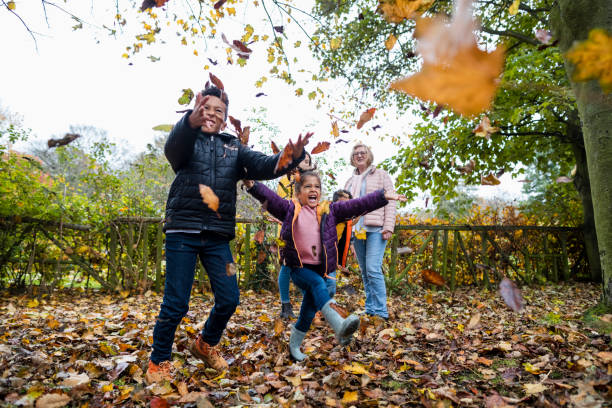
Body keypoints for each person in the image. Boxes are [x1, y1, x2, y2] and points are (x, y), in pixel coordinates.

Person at [145, 85, 312, 384]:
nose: (211, 115)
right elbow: (173, 148)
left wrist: (291, 155)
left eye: (218, 111)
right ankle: (159, 361)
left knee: (230, 297)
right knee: (176, 303)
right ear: (196, 111)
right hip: (182, 231)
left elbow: (263, 164)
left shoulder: (234, 148)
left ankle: (206, 344)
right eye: (205, 109)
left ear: (225, 118)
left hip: (218, 236)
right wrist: (188, 123)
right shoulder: (186, 139)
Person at [244, 172, 406, 361]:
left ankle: (294, 347)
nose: (313, 190)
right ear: (298, 192)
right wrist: (252, 185)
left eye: (317, 187)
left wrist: (382, 196)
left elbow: (357, 204)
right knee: (316, 285)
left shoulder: (330, 211)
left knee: (308, 311)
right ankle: (339, 324)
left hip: (319, 269)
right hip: (298, 268)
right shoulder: (290, 209)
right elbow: (270, 198)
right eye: (308, 187)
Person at [344, 144, 397, 320]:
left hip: (376, 229)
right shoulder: (350, 181)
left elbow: (391, 201)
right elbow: (346, 208)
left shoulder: (381, 175)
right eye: (356, 153)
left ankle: (381, 311)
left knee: (373, 269)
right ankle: (370, 308)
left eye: (363, 153)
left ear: (369, 155)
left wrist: (388, 227)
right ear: (352, 158)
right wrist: (348, 235)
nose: (359, 155)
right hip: (357, 231)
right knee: (365, 271)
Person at [277, 153, 316, 319]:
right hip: (288, 226)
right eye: (302, 160)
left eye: (308, 160)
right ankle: (285, 305)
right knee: (287, 264)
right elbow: (281, 201)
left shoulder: (313, 179)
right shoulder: (286, 178)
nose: (305, 162)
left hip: (308, 227)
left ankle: (311, 304)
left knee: (305, 265)